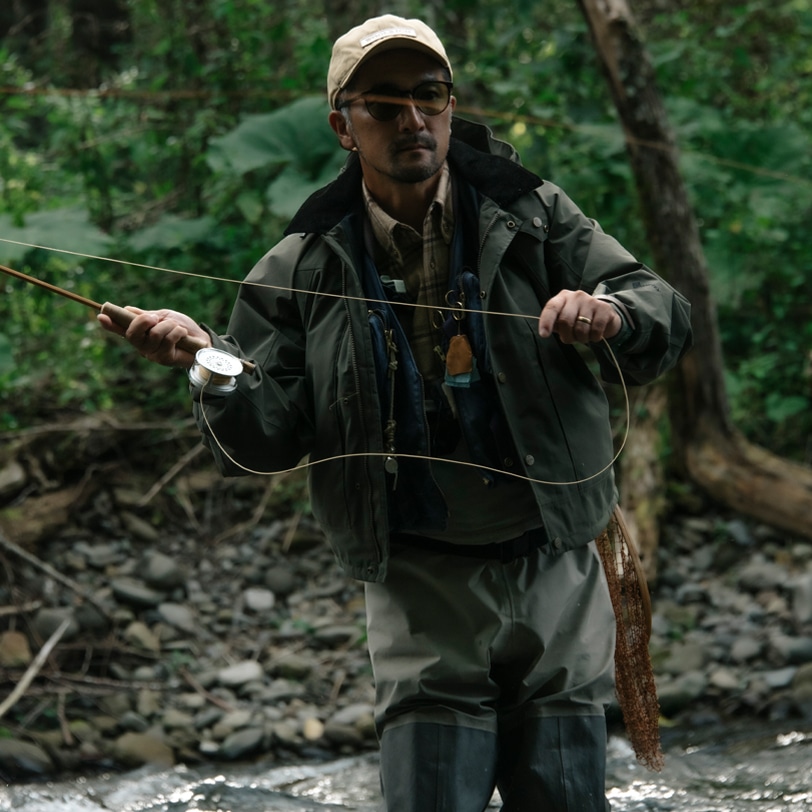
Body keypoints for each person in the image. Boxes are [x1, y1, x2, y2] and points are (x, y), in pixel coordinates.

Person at [99, 14, 692, 811]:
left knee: (563, 790)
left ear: (451, 106)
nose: (413, 119)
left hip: (554, 557)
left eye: (430, 96)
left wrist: (610, 315)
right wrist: (210, 364)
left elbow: (659, 306)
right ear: (343, 123)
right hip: (418, 579)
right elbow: (268, 435)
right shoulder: (301, 259)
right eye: (385, 104)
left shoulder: (536, 213)